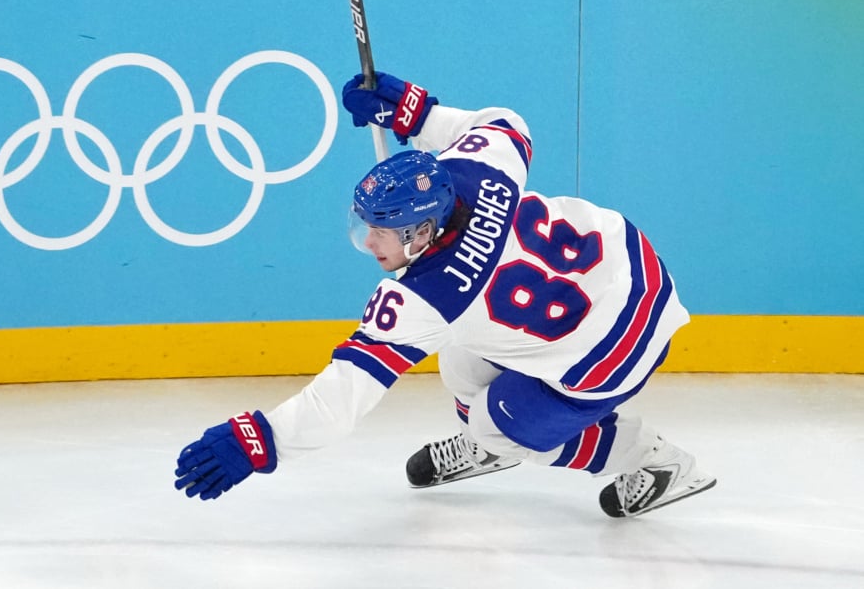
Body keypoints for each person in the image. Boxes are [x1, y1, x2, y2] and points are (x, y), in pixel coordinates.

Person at [173, 70, 717, 518]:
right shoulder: (474, 167)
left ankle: (657, 461)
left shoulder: (424, 300)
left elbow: (340, 400)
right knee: (460, 364)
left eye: (381, 231)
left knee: (501, 428)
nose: (368, 241)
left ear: (419, 232)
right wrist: (417, 113)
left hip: (615, 349)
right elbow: (506, 124)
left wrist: (262, 438)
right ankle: (494, 439)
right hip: (634, 267)